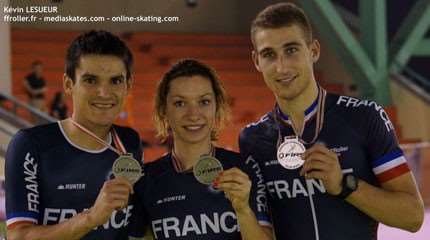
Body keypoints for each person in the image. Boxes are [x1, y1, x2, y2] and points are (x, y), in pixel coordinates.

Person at [239, 3, 425, 240]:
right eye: (269, 54)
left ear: (314, 51)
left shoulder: (364, 117)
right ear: (256, 61)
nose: (281, 66)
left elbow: (413, 217)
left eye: (291, 50)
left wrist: (344, 185)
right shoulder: (253, 139)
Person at [6, 30, 142, 240]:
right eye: (91, 80)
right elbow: (19, 236)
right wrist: (91, 218)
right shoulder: (31, 144)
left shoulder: (129, 143)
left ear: (128, 86)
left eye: (115, 81)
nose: (104, 93)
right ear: (69, 84)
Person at [128, 59, 273, 240]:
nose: (193, 114)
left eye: (204, 101)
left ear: (217, 107)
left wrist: (243, 210)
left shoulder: (244, 169)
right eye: (180, 103)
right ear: (164, 110)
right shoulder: (146, 179)